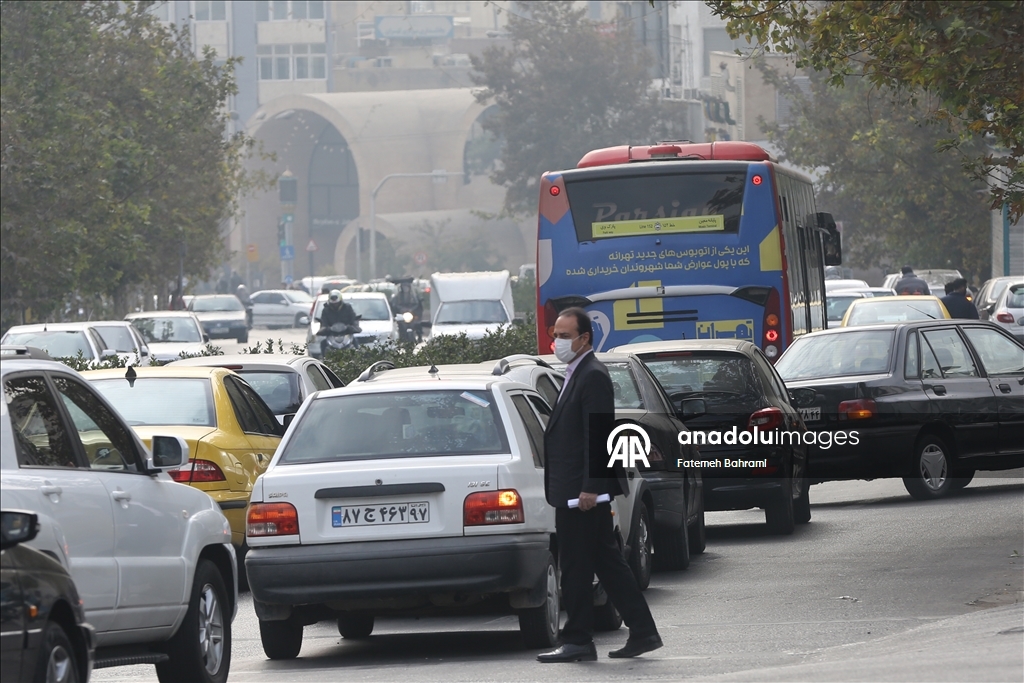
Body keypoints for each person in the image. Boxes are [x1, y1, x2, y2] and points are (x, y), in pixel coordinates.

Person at [537, 307, 662, 663]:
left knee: (576, 566)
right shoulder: (575, 373)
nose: (557, 341)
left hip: (582, 493)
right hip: (577, 489)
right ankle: (643, 631)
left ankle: (577, 639)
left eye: (563, 335)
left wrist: (590, 487)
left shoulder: (592, 375)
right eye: (555, 334)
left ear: (584, 338)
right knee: (607, 563)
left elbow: (598, 435)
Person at [318, 289, 357, 356]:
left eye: (337, 303)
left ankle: (359, 362)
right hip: (331, 335)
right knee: (323, 344)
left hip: (346, 334)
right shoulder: (326, 310)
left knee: (355, 343)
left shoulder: (348, 308)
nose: (335, 305)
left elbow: (353, 319)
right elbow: (323, 323)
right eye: (333, 304)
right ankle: (323, 363)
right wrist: (325, 329)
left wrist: (352, 327)